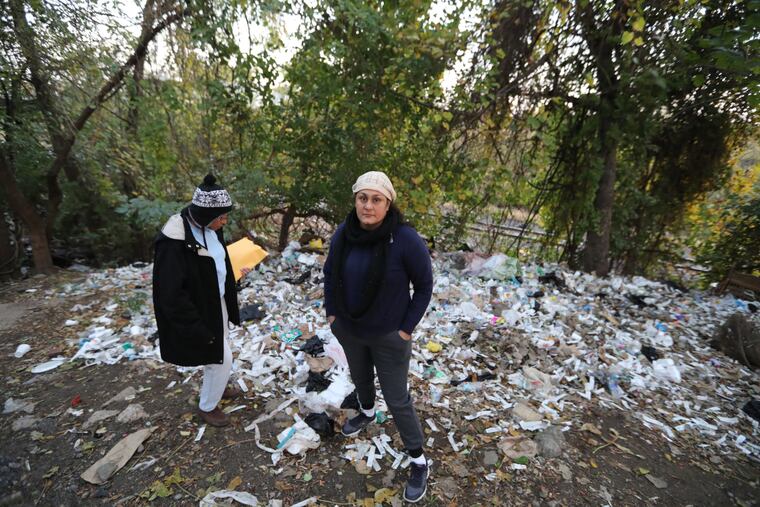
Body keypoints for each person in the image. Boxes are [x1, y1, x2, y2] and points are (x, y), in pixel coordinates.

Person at [323, 171, 433, 503]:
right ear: (354, 199)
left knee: (398, 399)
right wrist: (332, 315)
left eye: (376, 199)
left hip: (389, 335)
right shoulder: (344, 233)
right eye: (362, 198)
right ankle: (367, 412)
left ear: (388, 204)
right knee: (359, 377)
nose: (368, 206)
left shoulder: (405, 239)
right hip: (351, 329)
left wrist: (405, 330)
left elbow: (424, 286)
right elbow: (330, 274)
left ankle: (418, 460)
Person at [152, 174, 243, 427]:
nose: (224, 222)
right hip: (197, 311)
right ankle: (207, 406)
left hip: (217, 302)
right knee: (221, 357)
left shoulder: (211, 228)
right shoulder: (173, 240)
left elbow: (214, 264)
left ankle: (218, 387)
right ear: (204, 217)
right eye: (221, 217)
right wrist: (195, 328)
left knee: (219, 351)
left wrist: (235, 273)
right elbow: (170, 294)